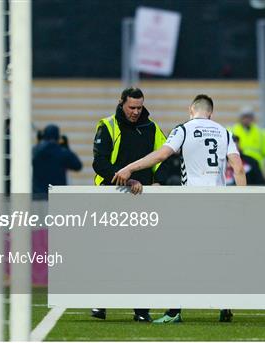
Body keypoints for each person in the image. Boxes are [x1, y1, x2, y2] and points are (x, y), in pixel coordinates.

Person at [113, 94, 246, 324]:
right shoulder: (224, 132)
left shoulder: (184, 129)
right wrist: (244, 202)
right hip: (220, 203)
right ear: (210, 113)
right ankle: (225, 305)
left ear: (190, 110)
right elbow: (238, 168)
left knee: (177, 256)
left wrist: (129, 168)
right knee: (218, 254)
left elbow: (162, 155)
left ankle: (174, 311)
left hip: (192, 203)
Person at [91, 87, 167, 322]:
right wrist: (126, 178)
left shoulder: (152, 128)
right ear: (121, 103)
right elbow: (99, 164)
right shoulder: (107, 125)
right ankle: (100, 303)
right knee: (110, 253)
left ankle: (141, 309)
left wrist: (157, 181)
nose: (135, 111)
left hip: (142, 200)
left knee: (141, 255)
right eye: (131, 107)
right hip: (111, 196)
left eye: (139, 107)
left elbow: (164, 157)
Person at [32, 124, 82, 195]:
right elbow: (78, 165)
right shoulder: (63, 152)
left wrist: (39, 142)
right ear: (58, 137)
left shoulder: (35, 151)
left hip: (38, 195)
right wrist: (66, 147)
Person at [229, 107, 265, 181]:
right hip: (239, 166)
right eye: (245, 117)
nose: (247, 119)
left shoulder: (261, 133)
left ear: (252, 118)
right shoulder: (231, 130)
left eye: (249, 117)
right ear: (240, 118)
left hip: (256, 168)